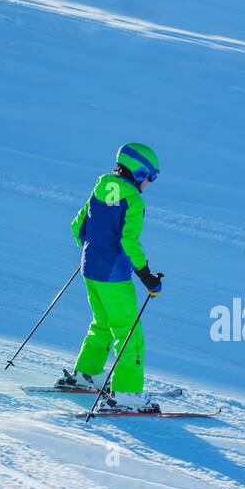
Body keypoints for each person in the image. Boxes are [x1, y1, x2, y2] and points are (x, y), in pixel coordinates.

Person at [55, 143, 165, 412]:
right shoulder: (134, 200)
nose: (149, 183)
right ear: (139, 173)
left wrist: (95, 249)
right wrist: (147, 276)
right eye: (150, 177)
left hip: (89, 268)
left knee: (103, 323)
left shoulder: (101, 184)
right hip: (113, 277)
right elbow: (129, 242)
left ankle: (86, 374)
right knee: (129, 333)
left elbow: (78, 227)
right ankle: (127, 393)